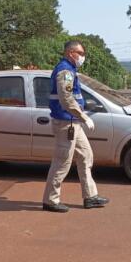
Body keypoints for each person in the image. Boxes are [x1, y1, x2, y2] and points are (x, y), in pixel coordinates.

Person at [42, 40, 109, 213]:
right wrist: (84, 116)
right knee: (62, 162)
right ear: (71, 53)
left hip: (73, 122)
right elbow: (66, 99)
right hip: (66, 123)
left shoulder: (71, 70)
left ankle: (90, 196)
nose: (83, 57)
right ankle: (50, 200)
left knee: (86, 155)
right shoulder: (65, 71)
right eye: (80, 53)